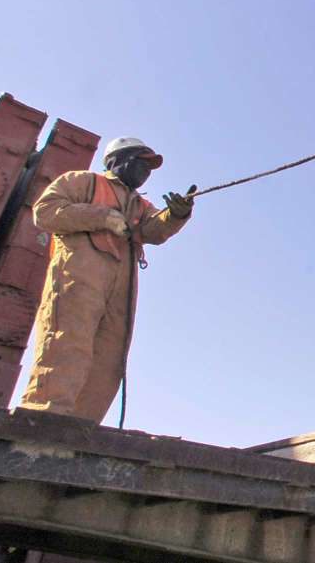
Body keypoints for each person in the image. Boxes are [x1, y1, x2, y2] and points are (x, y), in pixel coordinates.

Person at [18, 137, 195, 423]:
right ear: (118, 160)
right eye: (143, 163)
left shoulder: (141, 204)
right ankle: (44, 416)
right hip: (79, 275)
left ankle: (81, 426)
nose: (147, 172)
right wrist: (102, 217)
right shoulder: (81, 182)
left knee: (110, 356)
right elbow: (45, 212)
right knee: (68, 340)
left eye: (150, 168)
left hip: (121, 284)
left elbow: (154, 231)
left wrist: (177, 214)